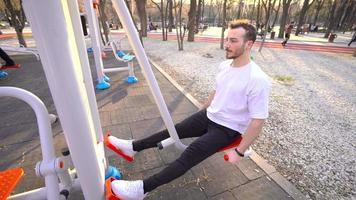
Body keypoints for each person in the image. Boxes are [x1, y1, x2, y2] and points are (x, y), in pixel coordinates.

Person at [106, 20, 271, 200]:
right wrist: (202, 110)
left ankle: (141, 189)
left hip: (228, 129)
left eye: (233, 41)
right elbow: (218, 90)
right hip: (209, 116)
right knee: (172, 130)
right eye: (227, 40)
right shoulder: (225, 66)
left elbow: (258, 121)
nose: (227, 45)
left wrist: (239, 152)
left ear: (249, 44)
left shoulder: (257, 79)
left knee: (189, 154)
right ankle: (132, 147)